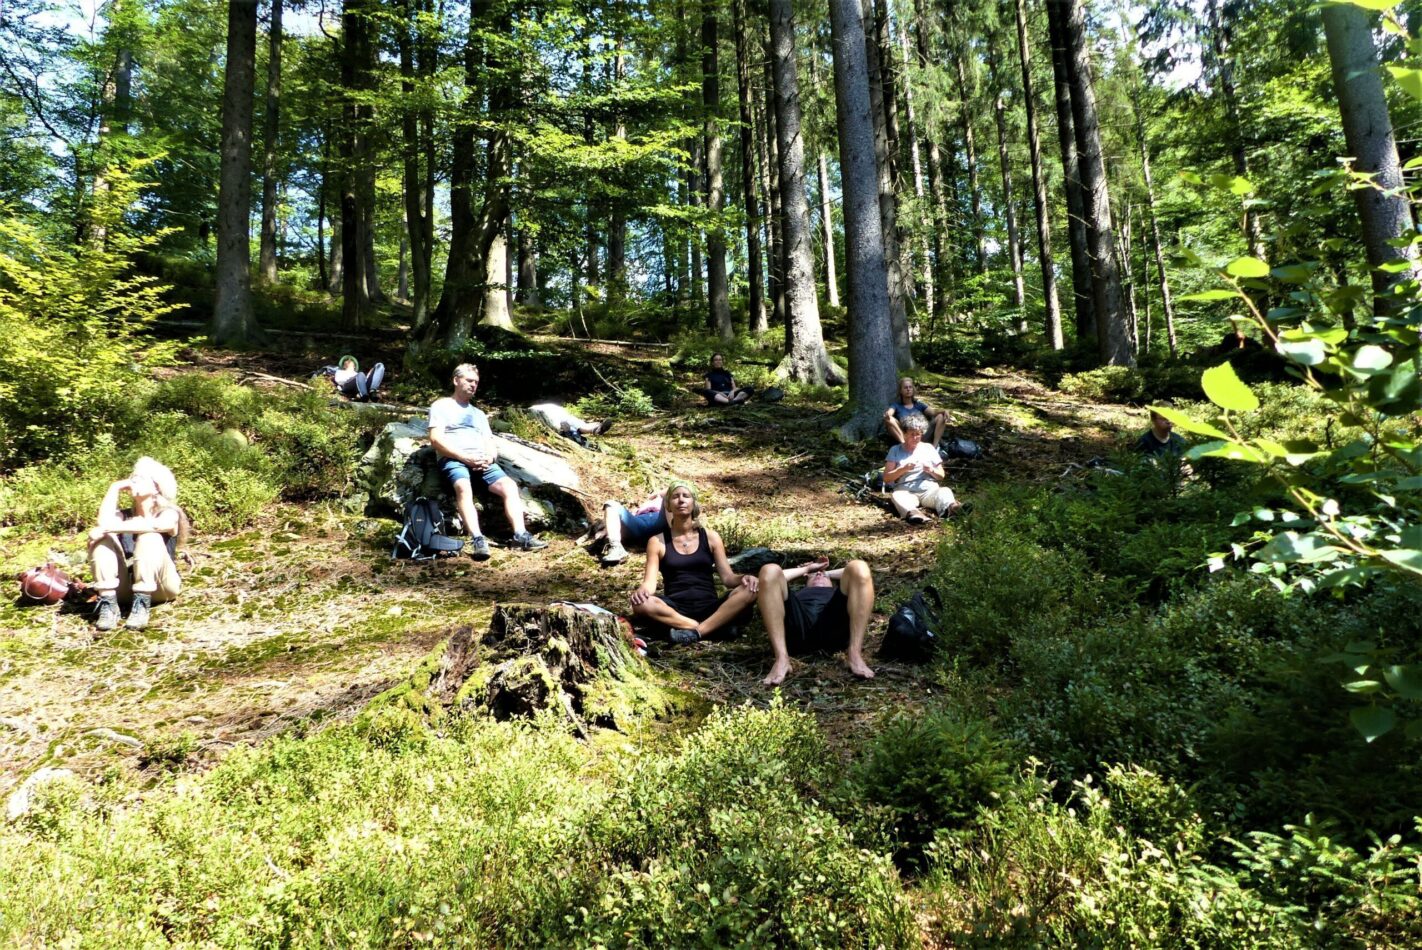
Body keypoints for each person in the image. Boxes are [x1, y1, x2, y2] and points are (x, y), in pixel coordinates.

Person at [428, 362, 548, 558]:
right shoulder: (441, 406)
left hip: (482, 461)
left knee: (509, 486)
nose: (473, 385)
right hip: (454, 458)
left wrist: (489, 457)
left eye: (476, 382)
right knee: (463, 487)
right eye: (469, 380)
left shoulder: (479, 414)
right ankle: (477, 538)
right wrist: (462, 456)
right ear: (455, 380)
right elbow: (435, 439)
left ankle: (520, 535)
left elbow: (489, 442)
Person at [629, 480, 757, 643]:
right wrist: (642, 591)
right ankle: (708, 628)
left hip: (712, 607)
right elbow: (650, 584)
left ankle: (694, 632)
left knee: (751, 589)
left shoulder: (711, 537)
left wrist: (744, 578)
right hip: (675, 610)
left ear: (694, 503)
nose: (681, 500)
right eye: (675, 496)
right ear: (668, 505)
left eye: (686, 496)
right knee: (641, 604)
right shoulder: (657, 541)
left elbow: (728, 578)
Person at [88, 457, 186, 631]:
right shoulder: (123, 516)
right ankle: (108, 605)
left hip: (161, 587)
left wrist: (107, 528)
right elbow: (103, 522)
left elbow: (157, 525)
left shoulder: (169, 513)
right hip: (126, 589)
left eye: (138, 478)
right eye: (131, 478)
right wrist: (114, 487)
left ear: (156, 486)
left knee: (149, 536)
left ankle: (142, 606)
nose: (132, 482)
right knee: (103, 540)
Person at [757, 556, 876, 686]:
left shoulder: (839, 592)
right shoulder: (798, 595)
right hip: (798, 627)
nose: (819, 574)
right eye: (814, 575)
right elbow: (767, 579)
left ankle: (855, 655)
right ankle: (781, 659)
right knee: (769, 569)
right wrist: (807, 569)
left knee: (859, 566)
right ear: (806, 578)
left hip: (833, 624)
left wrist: (826, 572)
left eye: (823, 575)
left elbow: (861, 572)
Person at [883, 413, 961, 524]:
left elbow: (941, 476)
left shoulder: (928, 448)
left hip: (929, 490)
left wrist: (931, 470)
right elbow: (886, 478)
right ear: (904, 434)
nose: (915, 438)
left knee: (945, 491)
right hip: (906, 491)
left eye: (918, 434)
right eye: (912, 435)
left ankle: (953, 510)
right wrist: (902, 469)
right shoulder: (895, 450)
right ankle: (914, 515)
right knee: (897, 496)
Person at [598, 489, 666, 565]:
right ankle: (616, 547)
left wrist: (657, 494)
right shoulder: (644, 505)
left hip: (661, 522)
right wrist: (607, 529)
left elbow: (675, 488)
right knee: (610, 504)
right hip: (638, 524)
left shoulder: (672, 503)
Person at [884, 377, 948, 447]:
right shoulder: (896, 405)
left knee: (941, 416)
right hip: (906, 436)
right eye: (905, 388)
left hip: (921, 435)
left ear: (913, 389)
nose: (908, 389)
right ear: (901, 391)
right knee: (889, 420)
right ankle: (905, 446)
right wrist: (888, 415)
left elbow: (933, 412)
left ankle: (934, 447)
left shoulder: (919, 404)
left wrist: (944, 411)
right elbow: (890, 412)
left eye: (910, 387)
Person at [528, 403, 613, 446]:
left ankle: (596, 428)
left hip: (552, 412)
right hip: (550, 414)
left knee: (576, 424)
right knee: (573, 426)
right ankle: (596, 428)